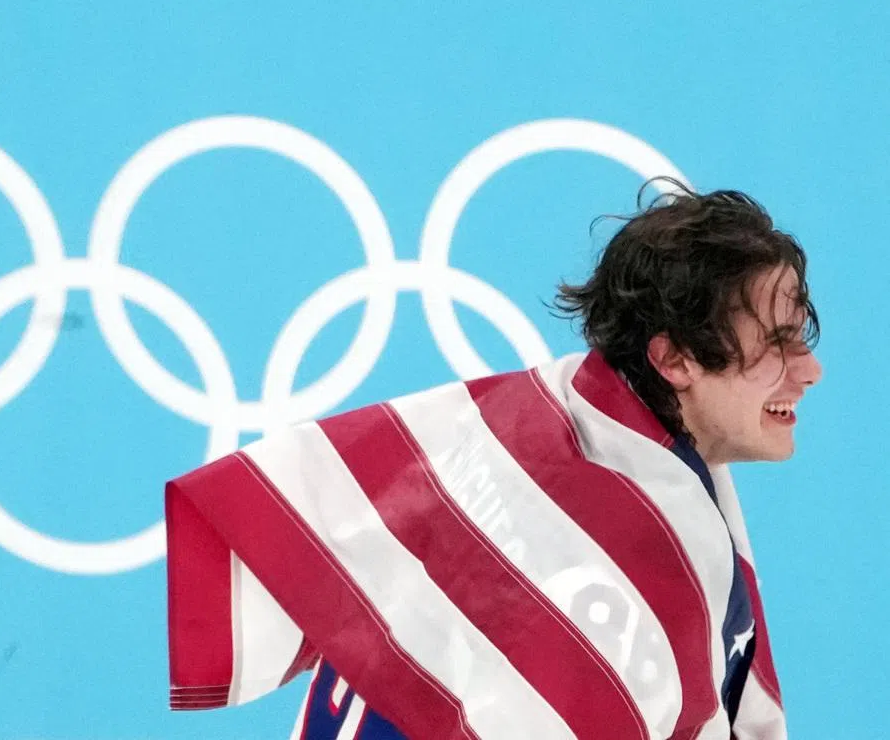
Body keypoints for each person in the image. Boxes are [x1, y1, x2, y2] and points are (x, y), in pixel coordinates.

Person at [166, 180, 820, 740]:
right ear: (674, 359)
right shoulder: (640, 564)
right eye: (779, 344)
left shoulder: (527, 423)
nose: (810, 371)